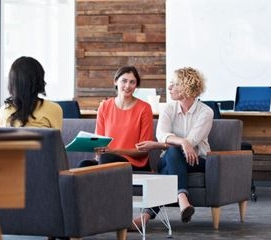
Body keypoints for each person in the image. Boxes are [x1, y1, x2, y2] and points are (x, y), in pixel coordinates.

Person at [131, 67, 213, 228]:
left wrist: (180, 142)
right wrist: (182, 142)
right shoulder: (168, 108)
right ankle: (182, 197)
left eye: (174, 84)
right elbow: (162, 134)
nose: (169, 88)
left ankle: (145, 216)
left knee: (168, 168)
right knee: (173, 152)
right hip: (171, 157)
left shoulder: (206, 112)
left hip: (196, 160)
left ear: (187, 87)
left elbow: (192, 140)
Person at [84, 66, 156, 171]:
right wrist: (98, 150)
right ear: (115, 81)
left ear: (136, 85)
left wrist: (115, 151)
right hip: (107, 159)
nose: (128, 86)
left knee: (106, 158)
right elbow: (98, 142)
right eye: (124, 81)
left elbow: (143, 151)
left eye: (132, 82)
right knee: (84, 165)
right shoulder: (104, 106)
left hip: (134, 163)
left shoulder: (144, 108)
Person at [0, 56, 63, 129]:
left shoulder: (3, 111)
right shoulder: (53, 109)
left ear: (12, 83)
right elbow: (56, 139)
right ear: (39, 80)